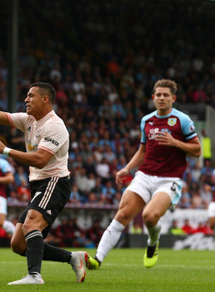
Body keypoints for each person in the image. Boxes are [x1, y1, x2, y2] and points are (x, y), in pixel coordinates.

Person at [0, 71, 88, 285]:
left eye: (31, 96)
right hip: (38, 185)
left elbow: (40, 160)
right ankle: (72, 258)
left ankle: (34, 276)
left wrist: (6, 150)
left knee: (31, 225)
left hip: (54, 182)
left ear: (45, 99)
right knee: (18, 244)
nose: (26, 99)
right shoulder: (28, 120)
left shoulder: (54, 125)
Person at [86, 79, 201, 270]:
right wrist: (126, 169)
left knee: (149, 216)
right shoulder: (146, 120)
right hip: (145, 175)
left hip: (169, 179)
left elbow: (197, 150)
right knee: (123, 214)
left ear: (173, 98)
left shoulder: (182, 120)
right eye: (158, 95)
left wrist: (175, 143)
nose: (162, 98)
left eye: (166, 95)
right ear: (153, 97)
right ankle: (97, 259)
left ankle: (152, 242)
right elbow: (142, 151)